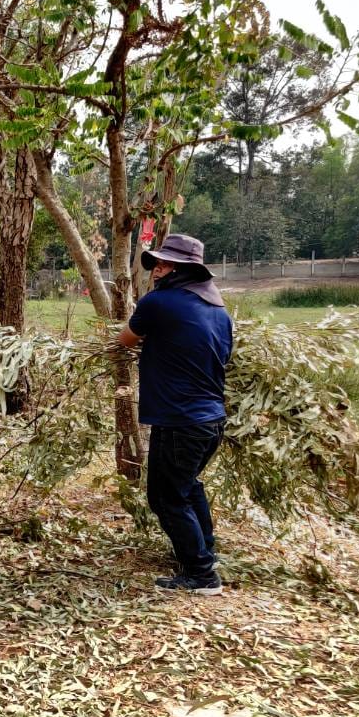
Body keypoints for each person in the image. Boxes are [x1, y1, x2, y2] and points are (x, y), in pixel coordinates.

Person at [118, 234, 233, 595]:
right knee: (187, 486)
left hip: (181, 421)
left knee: (165, 498)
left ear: (184, 270)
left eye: (165, 265)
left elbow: (124, 340)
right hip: (211, 421)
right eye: (157, 263)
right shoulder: (220, 311)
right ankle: (204, 553)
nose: (157, 271)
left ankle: (201, 574)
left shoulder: (159, 303)